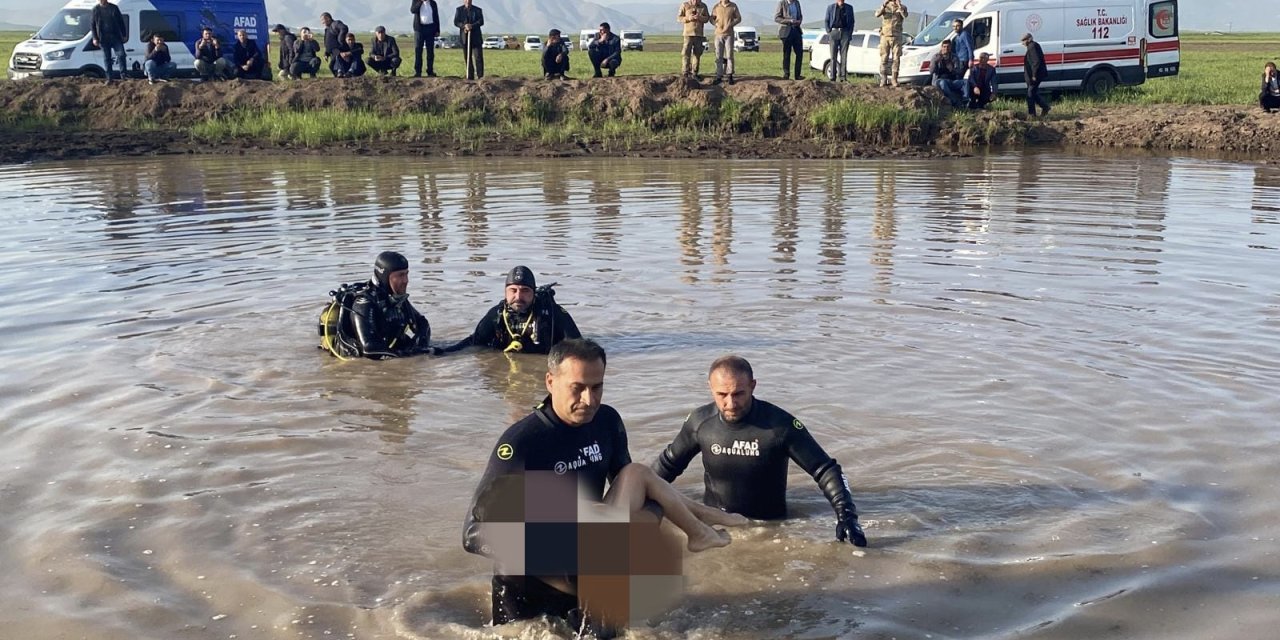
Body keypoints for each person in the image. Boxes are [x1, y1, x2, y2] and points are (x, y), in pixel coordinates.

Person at [463, 339, 745, 632]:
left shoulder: (607, 422)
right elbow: (472, 533)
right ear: (550, 381)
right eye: (578, 388)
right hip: (529, 581)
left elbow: (642, 491)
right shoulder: (521, 443)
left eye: (597, 387)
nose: (589, 399)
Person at [652, 355, 868, 546]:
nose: (730, 403)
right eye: (722, 394)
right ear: (710, 387)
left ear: (753, 386)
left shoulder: (779, 426)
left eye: (738, 393)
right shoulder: (700, 423)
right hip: (716, 525)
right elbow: (666, 466)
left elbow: (825, 469)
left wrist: (847, 517)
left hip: (771, 530)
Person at [319, 251, 435, 359]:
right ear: (385, 277)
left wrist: (421, 346)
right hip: (355, 359)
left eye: (406, 274)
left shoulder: (396, 298)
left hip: (386, 348)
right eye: (400, 275)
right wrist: (408, 355)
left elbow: (422, 324)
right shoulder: (364, 302)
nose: (406, 280)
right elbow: (368, 349)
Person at [444, 266, 582, 355]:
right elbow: (473, 342)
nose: (518, 297)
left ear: (534, 293)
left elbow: (579, 346)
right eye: (513, 290)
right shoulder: (497, 314)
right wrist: (440, 352)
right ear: (505, 292)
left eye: (525, 291)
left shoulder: (553, 313)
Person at [90, 0, 127, 85]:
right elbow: (92, 25)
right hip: (103, 38)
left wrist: (124, 35)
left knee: (121, 55)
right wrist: (95, 38)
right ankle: (109, 78)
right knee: (107, 58)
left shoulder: (114, 8)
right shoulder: (95, 9)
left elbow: (121, 22)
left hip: (115, 36)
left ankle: (124, 75)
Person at [874, 0, 907, 87]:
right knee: (884, 58)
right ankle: (883, 78)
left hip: (896, 36)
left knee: (896, 58)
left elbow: (905, 16)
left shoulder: (902, 7)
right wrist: (884, 5)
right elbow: (877, 14)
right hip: (885, 35)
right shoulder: (885, 7)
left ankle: (894, 79)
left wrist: (899, 6)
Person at [709, 0, 741, 85]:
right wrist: (715, 24)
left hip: (729, 34)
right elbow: (711, 18)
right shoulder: (716, 6)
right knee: (718, 55)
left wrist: (731, 24)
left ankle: (730, 75)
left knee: (729, 55)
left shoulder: (733, 6)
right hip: (718, 34)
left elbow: (738, 18)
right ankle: (719, 76)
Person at [678, 0, 711, 79]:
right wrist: (688, 18)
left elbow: (707, 18)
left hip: (699, 34)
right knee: (686, 53)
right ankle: (685, 72)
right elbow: (679, 17)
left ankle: (694, 73)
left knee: (697, 54)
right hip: (688, 34)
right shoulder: (685, 5)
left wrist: (700, 18)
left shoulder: (703, 6)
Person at [824, 0, 855, 82]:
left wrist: (849, 33)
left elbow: (852, 22)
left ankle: (843, 77)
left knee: (844, 56)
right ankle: (832, 77)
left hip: (845, 32)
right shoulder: (830, 7)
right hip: (834, 32)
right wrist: (829, 31)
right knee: (833, 56)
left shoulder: (849, 8)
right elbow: (826, 20)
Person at [454, 0, 485, 80]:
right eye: (466, 0)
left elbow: (481, 21)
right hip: (465, 38)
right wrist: (464, 26)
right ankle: (470, 76)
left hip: (476, 38)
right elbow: (456, 22)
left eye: (469, 0)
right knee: (467, 57)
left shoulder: (478, 10)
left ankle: (480, 76)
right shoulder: (459, 10)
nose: (468, 1)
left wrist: (472, 26)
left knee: (478, 57)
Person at [774, 0, 804, 81]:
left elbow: (800, 15)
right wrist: (789, 21)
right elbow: (777, 18)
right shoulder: (782, 3)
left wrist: (799, 21)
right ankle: (786, 74)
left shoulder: (797, 3)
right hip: (786, 31)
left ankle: (798, 75)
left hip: (796, 30)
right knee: (787, 53)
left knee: (799, 53)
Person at [1022, 32, 1050, 117]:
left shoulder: (1032, 46)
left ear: (1029, 39)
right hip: (1034, 75)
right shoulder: (1032, 46)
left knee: (1030, 93)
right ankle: (1044, 107)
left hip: (1036, 75)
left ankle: (1032, 114)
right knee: (1033, 93)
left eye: (1024, 40)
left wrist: (1034, 75)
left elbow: (1036, 61)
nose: (1022, 43)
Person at [411, 0, 441, 77]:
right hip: (419, 29)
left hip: (431, 28)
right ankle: (418, 72)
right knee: (418, 51)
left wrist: (437, 30)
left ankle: (430, 71)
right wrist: (420, 2)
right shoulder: (416, 1)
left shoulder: (433, 3)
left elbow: (436, 16)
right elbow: (413, 10)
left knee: (430, 51)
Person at [930, 39, 964, 107]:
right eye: (944, 47)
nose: (946, 48)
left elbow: (959, 71)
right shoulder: (936, 57)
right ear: (941, 47)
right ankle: (954, 100)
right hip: (939, 80)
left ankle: (966, 100)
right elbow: (931, 71)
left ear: (950, 47)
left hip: (951, 80)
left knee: (965, 82)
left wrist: (952, 69)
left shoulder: (954, 57)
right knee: (943, 83)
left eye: (948, 47)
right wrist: (935, 63)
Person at [320, 12, 350, 76]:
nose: (322, 22)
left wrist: (340, 39)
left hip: (339, 50)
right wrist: (326, 53)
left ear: (328, 18)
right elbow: (328, 42)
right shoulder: (327, 29)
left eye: (323, 20)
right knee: (332, 66)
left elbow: (344, 28)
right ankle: (339, 78)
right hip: (332, 53)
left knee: (338, 65)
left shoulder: (335, 24)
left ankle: (343, 75)